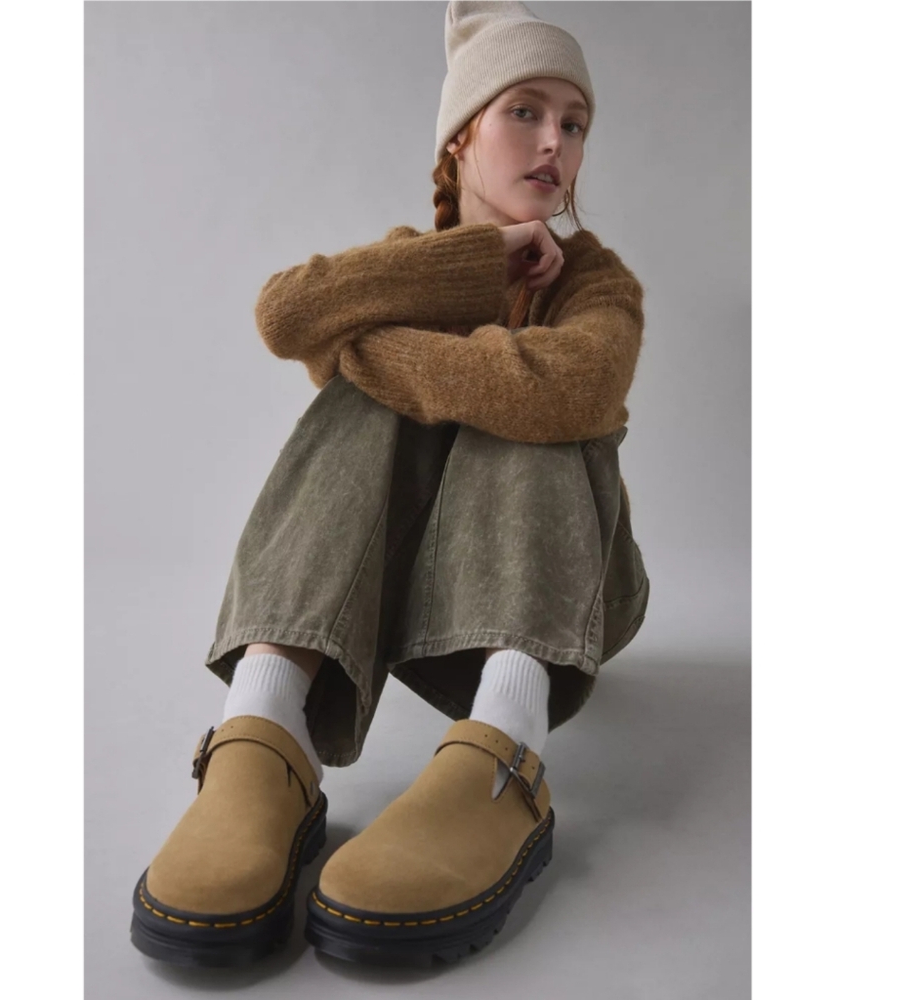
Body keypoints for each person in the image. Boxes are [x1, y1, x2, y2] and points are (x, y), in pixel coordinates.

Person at [130, 0, 649, 970]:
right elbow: (286, 313)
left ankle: (505, 735)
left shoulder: (595, 280)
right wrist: (476, 260)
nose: (556, 142)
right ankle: (266, 723)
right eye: (525, 112)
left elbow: (573, 388)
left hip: (571, 591)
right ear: (460, 136)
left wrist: (363, 347)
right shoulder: (414, 264)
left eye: (574, 123)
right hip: (404, 583)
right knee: (378, 402)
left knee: (527, 395)